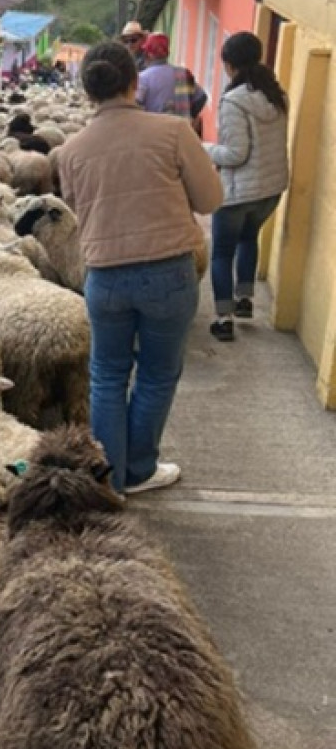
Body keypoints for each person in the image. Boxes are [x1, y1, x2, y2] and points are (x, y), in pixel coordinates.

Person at [55, 41, 223, 495]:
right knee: (157, 373)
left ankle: (111, 478)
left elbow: (78, 209)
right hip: (168, 273)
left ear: (88, 91)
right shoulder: (172, 132)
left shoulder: (70, 152)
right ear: (135, 81)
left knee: (107, 375)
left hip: (105, 277)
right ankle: (141, 468)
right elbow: (210, 199)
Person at [203, 31, 290, 343]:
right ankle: (244, 299)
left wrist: (202, 148)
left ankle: (223, 319)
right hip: (270, 190)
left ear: (229, 64)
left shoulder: (233, 102)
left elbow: (235, 155)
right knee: (248, 238)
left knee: (221, 253)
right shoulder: (276, 96)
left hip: (238, 194)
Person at [136, 33, 208, 132]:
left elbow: (135, 105)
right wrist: (189, 114)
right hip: (182, 132)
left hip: (154, 133)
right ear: (168, 53)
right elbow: (201, 97)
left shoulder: (142, 78)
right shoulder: (182, 74)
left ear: (149, 54)